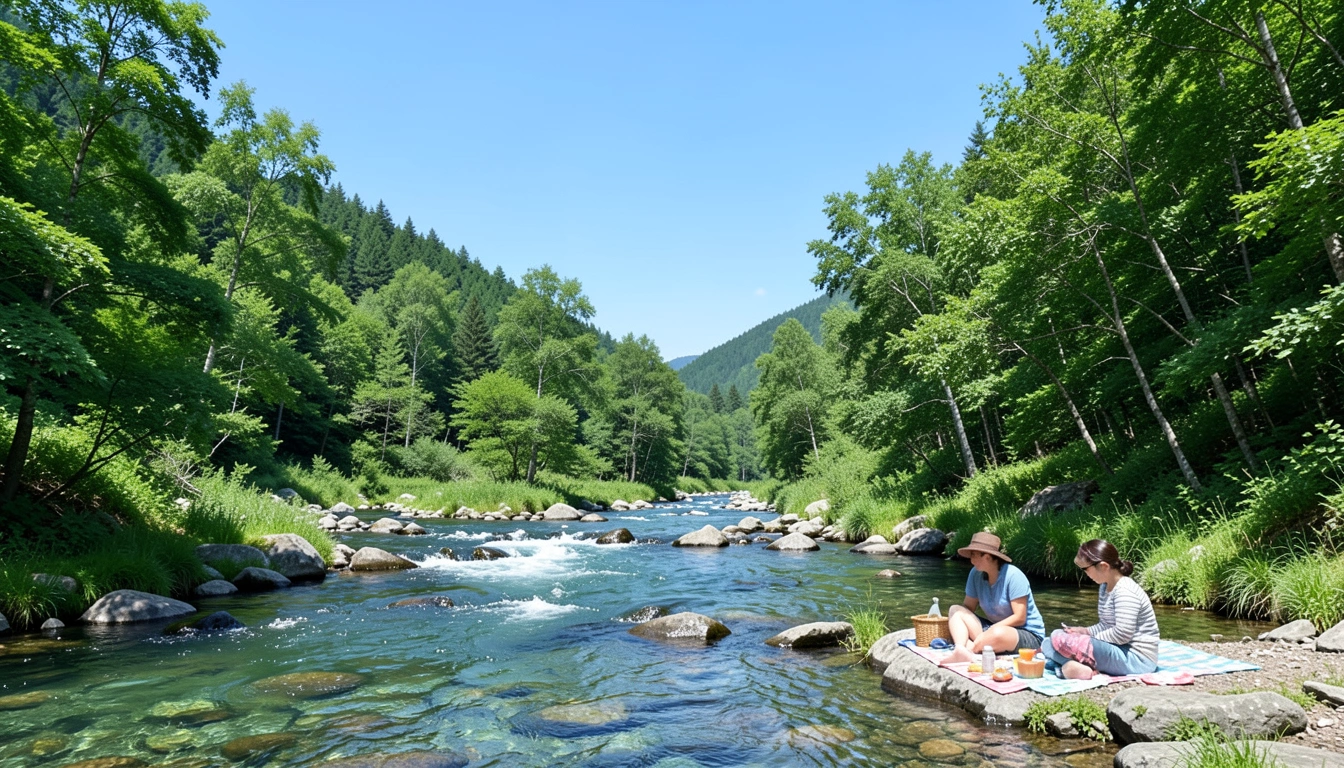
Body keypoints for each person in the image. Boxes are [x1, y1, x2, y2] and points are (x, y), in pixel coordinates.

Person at [1043, 539, 1160, 679]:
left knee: (1058, 639)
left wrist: (1086, 639)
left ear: (1104, 566)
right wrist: (1084, 631)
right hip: (1116, 649)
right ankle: (1076, 667)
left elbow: (1122, 634)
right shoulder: (1105, 587)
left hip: (1135, 658)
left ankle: (1070, 666)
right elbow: (1106, 625)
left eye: (1085, 569)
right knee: (1048, 642)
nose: (1085, 573)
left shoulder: (1125, 591)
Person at [945, 531, 1046, 663]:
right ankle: (961, 649)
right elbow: (968, 608)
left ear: (987, 556)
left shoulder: (1013, 575)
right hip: (993, 628)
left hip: (1026, 634)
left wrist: (990, 631)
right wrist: (959, 623)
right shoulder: (975, 574)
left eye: (974, 555)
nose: (971, 560)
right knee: (955, 610)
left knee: (997, 633)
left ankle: (971, 649)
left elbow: (1020, 618)